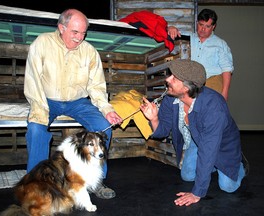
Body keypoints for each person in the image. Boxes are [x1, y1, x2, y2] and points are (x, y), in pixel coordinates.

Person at [24, 9, 122, 199]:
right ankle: (37, 185)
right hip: (47, 99)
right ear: (61, 28)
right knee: (36, 129)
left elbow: (97, 86)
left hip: (78, 102)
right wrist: (39, 110)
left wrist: (107, 109)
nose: (79, 38)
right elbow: (33, 81)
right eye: (75, 32)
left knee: (104, 127)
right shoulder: (42, 43)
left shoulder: (89, 51)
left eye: (83, 33)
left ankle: (96, 181)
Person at [140, 59, 249, 206]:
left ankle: (240, 165)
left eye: (174, 78)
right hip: (198, 139)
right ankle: (214, 166)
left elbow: (208, 150)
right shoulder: (171, 99)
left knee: (228, 187)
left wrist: (197, 192)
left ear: (186, 88)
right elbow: (162, 132)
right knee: (187, 176)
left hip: (224, 144)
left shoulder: (214, 107)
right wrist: (154, 119)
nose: (167, 79)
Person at [168, 9, 234, 101]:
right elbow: (169, 34)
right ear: (196, 23)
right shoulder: (187, 38)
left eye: (207, 26)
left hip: (212, 82)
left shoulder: (220, 44)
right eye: (201, 25)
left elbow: (227, 69)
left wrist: (224, 93)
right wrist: (170, 28)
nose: (203, 29)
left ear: (213, 26)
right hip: (189, 84)